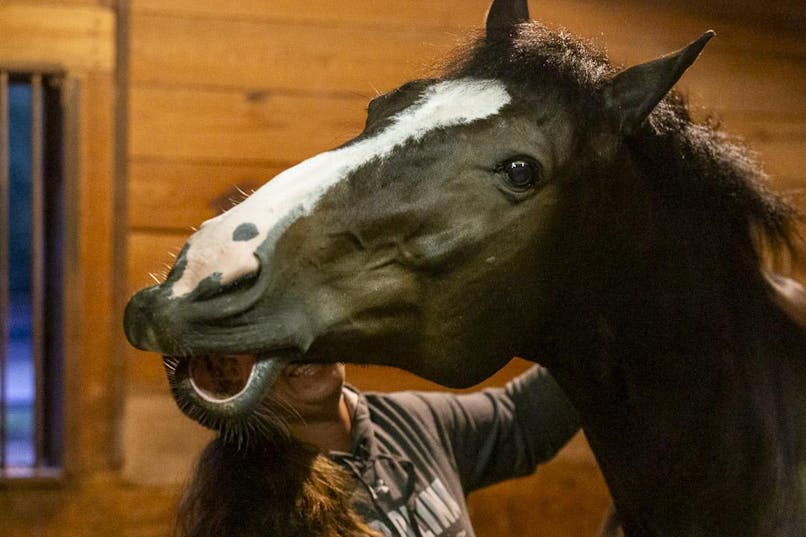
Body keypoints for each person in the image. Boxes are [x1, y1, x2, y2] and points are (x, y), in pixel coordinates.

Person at [175, 362, 579, 537]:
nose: (288, 349)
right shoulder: (256, 515)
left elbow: (519, 421)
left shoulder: (406, 420)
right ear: (229, 400)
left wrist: (612, 310)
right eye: (242, 356)